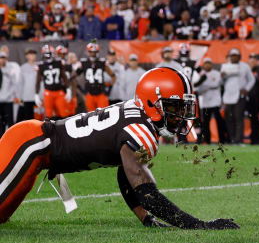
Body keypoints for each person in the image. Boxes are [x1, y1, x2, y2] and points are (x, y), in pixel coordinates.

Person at [0, 66, 237, 230]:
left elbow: (125, 177)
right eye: (174, 108)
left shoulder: (138, 119)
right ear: (152, 103)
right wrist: (199, 225)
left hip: (37, 148)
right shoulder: (140, 129)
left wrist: (146, 220)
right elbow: (148, 194)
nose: (180, 117)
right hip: (31, 144)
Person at [220, 48, 254, 145]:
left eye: (236, 55)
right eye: (232, 55)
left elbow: (252, 80)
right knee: (229, 118)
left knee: (238, 118)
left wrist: (246, 89)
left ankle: (238, 140)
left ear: (239, 57)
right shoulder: (225, 66)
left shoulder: (245, 66)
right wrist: (222, 76)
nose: (234, 57)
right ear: (230, 57)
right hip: (228, 96)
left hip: (240, 95)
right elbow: (221, 83)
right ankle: (231, 139)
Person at [37, 45, 75, 121]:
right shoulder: (41, 65)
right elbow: (38, 81)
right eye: (61, 53)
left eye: (64, 54)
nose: (63, 55)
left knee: (64, 113)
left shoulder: (59, 63)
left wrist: (68, 90)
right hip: (48, 92)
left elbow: (66, 77)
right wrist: (36, 94)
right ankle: (52, 131)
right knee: (49, 115)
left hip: (60, 91)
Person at [75, 42, 115, 112]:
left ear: (97, 52)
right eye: (91, 52)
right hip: (89, 94)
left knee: (104, 114)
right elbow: (73, 77)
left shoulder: (102, 62)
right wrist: (80, 89)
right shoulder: (83, 63)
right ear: (88, 52)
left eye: (95, 52)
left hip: (101, 93)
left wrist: (109, 89)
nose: (93, 54)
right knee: (91, 116)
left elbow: (113, 76)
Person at [194, 57, 224, 143]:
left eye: (209, 63)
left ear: (211, 64)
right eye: (206, 64)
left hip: (216, 102)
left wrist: (205, 85)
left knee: (219, 122)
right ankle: (207, 140)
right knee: (206, 123)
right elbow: (198, 89)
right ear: (204, 65)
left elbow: (216, 84)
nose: (207, 65)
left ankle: (222, 140)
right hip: (206, 103)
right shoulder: (201, 75)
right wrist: (208, 85)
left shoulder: (216, 73)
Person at [17, 49, 38, 122]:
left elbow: (41, 83)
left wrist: (41, 96)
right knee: (27, 119)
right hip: (26, 98)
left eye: (34, 54)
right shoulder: (23, 67)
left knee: (38, 120)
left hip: (37, 98)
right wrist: (20, 97)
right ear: (26, 56)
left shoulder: (39, 66)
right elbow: (20, 83)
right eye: (30, 54)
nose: (32, 55)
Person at [0, 48, 16, 133]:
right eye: (1, 58)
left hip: (8, 100)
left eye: (3, 58)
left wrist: (9, 95)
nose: (2, 60)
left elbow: (14, 84)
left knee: (10, 122)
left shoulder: (11, 70)